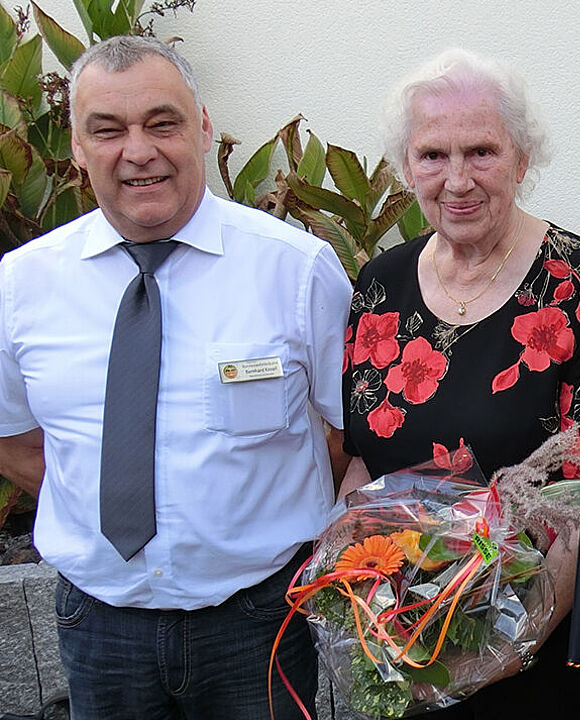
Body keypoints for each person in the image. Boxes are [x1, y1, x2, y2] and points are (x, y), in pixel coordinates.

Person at [0, 36, 351, 719]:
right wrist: (122, 497)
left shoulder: (297, 270)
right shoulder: (21, 284)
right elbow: (14, 442)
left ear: (204, 126)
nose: (139, 151)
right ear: (75, 146)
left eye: (163, 123)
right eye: (107, 130)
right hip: (100, 629)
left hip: (258, 624)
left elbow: (342, 433)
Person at [340, 48, 580, 718]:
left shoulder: (579, 278)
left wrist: (500, 650)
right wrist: (363, 600)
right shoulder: (380, 284)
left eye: (481, 152)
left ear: (522, 160)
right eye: (433, 155)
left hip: (532, 649)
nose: (456, 179)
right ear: (407, 167)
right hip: (402, 642)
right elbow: (358, 466)